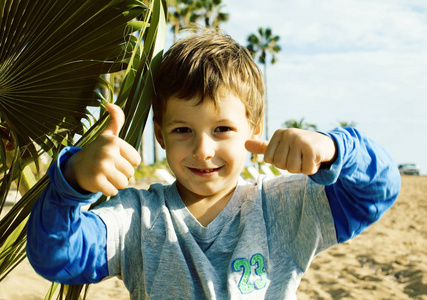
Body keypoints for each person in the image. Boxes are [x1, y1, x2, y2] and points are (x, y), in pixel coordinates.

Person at [27, 28, 401, 299]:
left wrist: (335, 147)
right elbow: (58, 256)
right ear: (160, 135)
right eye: (182, 130)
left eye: (222, 128)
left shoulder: (284, 208)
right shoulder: (136, 218)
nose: (203, 150)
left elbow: (378, 189)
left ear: (254, 129)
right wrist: (74, 179)